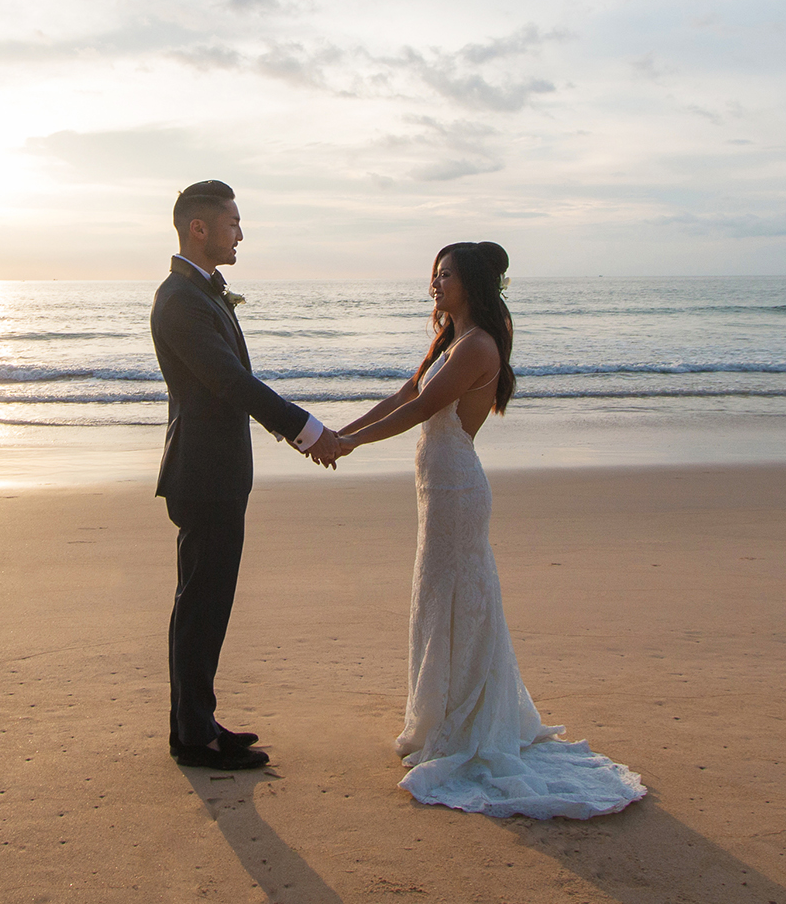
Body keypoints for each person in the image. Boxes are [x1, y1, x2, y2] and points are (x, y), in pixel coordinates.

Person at [338, 242, 646, 818]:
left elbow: (419, 408)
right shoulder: (452, 341)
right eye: (434, 274)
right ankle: (445, 715)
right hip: (439, 489)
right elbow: (404, 395)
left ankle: (462, 725)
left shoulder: (477, 346)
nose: (435, 283)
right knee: (439, 599)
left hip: (456, 489)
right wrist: (334, 433)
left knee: (458, 600)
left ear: (472, 283)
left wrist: (348, 444)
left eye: (446, 274)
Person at [150, 180, 350, 773]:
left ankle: (198, 721)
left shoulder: (201, 294)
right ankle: (192, 737)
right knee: (201, 603)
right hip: (203, 473)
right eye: (233, 222)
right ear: (199, 229)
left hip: (218, 471)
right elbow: (232, 383)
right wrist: (307, 431)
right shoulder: (180, 301)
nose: (241, 233)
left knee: (207, 601)